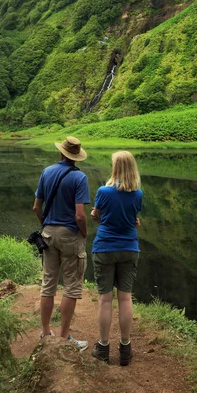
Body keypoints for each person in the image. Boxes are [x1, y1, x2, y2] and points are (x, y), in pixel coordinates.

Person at [33, 136, 90, 351]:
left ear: (61, 152)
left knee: (48, 284)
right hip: (70, 236)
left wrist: (46, 226)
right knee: (71, 286)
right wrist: (83, 234)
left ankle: (46, 332)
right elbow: (80, 216)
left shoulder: (46, 172)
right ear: (76, 157)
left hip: (48, 233)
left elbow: (36, 207)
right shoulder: (79, 178)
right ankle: (65, 338)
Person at [90, 150, 142, 366]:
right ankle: (125, 348)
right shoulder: (138, 193)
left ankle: (103, 347)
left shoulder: (103, 191)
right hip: (129, 248)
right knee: (125, 298)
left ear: (115, 168)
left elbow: (96, 215)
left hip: (105, 247)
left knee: (104, 299)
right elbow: (133, 219)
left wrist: (96, 215)